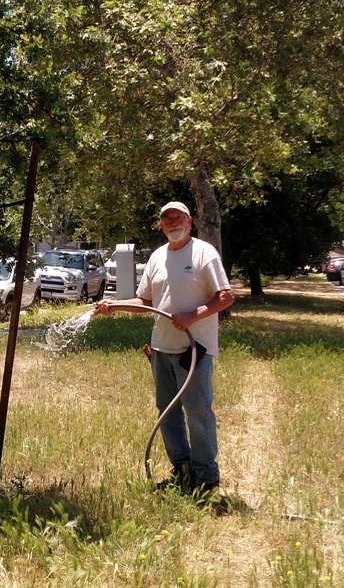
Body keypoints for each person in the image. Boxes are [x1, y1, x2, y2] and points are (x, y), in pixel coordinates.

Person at [94, 201, 234, 495]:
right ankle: (181, 470)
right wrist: (114, 306)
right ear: (161, 225)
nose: (173, 223)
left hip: (193, 351)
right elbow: (145, 302)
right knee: (167, 412)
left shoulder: (203, 253)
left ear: (190, 220)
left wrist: (192, 316)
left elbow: (225, 297)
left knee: (197, 411)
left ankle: (206, 477)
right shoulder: (158, 257)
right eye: (167, 219)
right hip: (161, 348)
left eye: (178, 218)